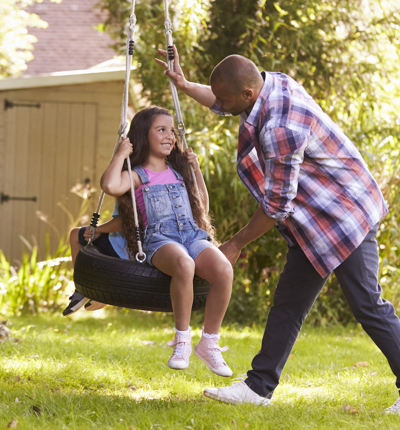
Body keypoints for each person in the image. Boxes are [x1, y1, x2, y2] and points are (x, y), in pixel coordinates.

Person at [156, 46, 400, 412]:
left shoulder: (281, 128)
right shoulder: (271, 84)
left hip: (345, 215)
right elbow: (224, 98)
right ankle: (258, 388)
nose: (220, 105)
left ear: (248, 95)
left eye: (225, 99)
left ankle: (259, 385)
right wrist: (184, 83)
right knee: (288, 303)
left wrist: (236, 244)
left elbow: (276, 205)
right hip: (316, 219)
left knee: (367, 304)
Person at [92, 105, 232, 376]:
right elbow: (109, 185)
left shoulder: (179, 171)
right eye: (161, 130)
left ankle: (210, 343)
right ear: (145, 135)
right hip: (159, 240)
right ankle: (182, 340)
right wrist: (120, 155)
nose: (170, 135)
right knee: (183, 264)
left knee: (224, 268)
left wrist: (196, 170)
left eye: (172, 131)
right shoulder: (137, 175)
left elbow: (200, 205)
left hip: (191, 234)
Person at [62, 216, 122, 316]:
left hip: (128, 248)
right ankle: (81, 286)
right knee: (75, 235)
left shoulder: (134, 200)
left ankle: (105, 290)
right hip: (115, 239)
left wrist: (98, 229)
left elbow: (124, 219)